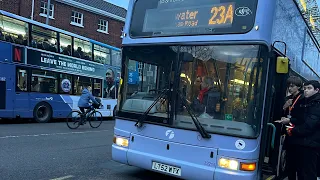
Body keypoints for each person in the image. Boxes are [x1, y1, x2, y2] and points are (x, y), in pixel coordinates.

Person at [285, 80, 320, 180]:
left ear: (317, 90)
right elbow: (302, 119)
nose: (306, 91)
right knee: (301, 172)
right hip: (305, 143)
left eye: (309, 88)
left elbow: (310, 125)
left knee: (307, 173)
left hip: (310, 144)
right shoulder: (308, 102)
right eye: (305, 88)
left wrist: (293, 130)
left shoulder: (316, 104)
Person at [275, 76, 304, 180]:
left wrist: (290, 120)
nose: (290, 88)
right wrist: (284, 108)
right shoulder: (289, 99)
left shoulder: (302, 99)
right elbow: (283, 113)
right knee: (289, 161)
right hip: (288, 132)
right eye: (289, 86)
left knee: (295, 163)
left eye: (292, 86)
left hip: (296, 134)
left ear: (299, 87)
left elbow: (301, 118)